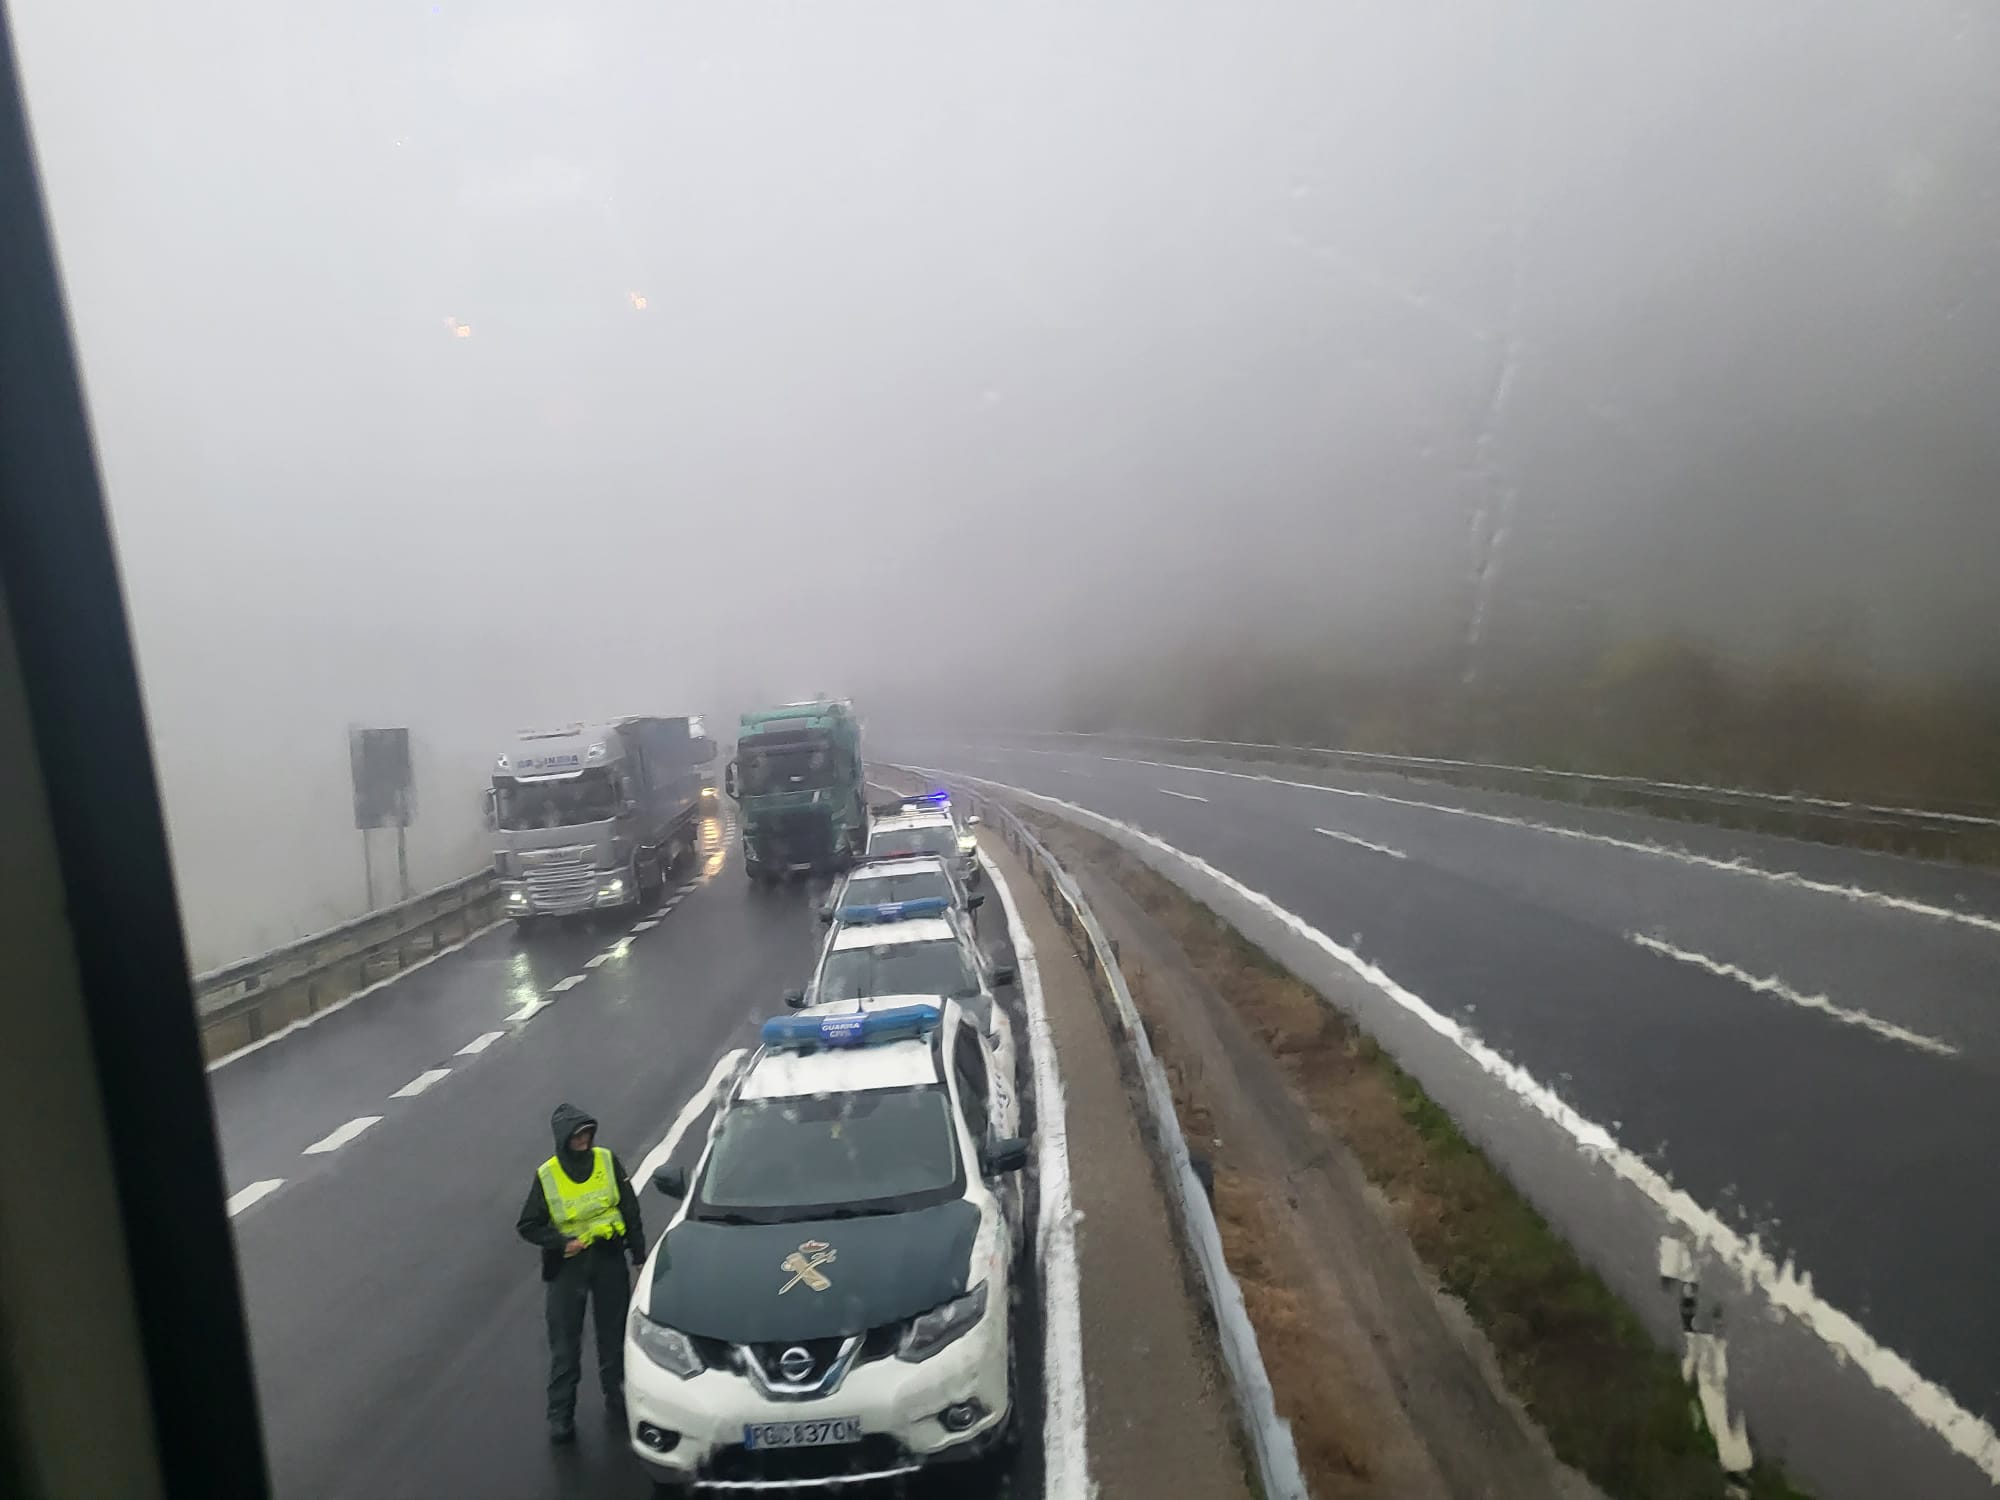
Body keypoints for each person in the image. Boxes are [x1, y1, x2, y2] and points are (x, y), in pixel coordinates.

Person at [516, 1101, 647, 1444]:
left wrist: (639, 1254)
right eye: (576, 1135)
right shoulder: (547, 1175)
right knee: (564, 1345)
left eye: (586, 1133)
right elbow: (527, 1224)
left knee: (614, 1335)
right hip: (568, 1268)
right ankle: (561, 1415)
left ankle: (617, 1397)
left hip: (608, 1259)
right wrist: (560, 1242)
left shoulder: (606, 1160)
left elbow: (629, 1208)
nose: (583, 1140)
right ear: (562, 1139)